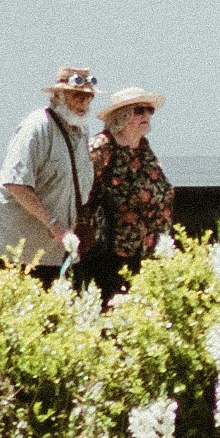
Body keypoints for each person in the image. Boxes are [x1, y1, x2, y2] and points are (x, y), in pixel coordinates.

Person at [0, 66, 95, 276]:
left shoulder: (81, 130)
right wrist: (53, 224)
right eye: (78, 96)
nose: (85, 103)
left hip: (55, 250)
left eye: (89, 97)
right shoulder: (37, 127)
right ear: (58, 96)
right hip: (17, 248)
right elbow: (15, 183)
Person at [83, 87, 171, 294]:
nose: (147, 115)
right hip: (112, 252)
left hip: (149, 251)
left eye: (150, 110)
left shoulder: (143, 148)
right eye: (139, 110)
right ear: (121, 115)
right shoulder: (101, 147)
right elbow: (83, 192)